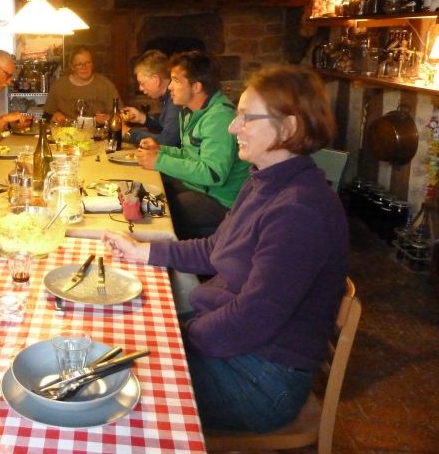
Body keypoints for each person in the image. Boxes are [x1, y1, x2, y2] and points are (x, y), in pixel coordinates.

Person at [103, 64, 348, 434]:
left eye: (246, 118)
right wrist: (143, 251)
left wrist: (182, 337)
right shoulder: (264, 180)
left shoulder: (300, 209)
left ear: (290, 127)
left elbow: (254, 316)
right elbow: (217, 248)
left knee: (116, 393)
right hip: (236, 345)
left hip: (260, 379)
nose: (233, 127)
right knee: (117, 344)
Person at [135, 51, 249, 239]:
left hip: (221, 200)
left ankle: (166, 261)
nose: (170, 87)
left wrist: (160, 161)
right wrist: (160, 149)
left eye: (176, 81)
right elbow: (191, 154)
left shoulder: (219, 117)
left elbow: (213, 174)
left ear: (196, 87)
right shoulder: (193, 112)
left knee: (157, 210)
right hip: (198, 187)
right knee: (146, 190)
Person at [43, 45, 121, 124]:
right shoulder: (59, 86)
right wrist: (53, 116)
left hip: (97, 133)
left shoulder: (105, 85)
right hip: (66, 133)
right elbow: (46, 117)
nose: (84, 67)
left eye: (88, 63)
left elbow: (120, 116)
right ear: (72, 67)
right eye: (79, 64)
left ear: (93, 64)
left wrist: (108, 119)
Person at [122, 49, 183, 147]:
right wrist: (142, 118)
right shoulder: (167, 98)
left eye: (142, 83)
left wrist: (128, 132)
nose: (140, 88)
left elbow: (166, 142)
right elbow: (168, 124)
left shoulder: (176, 100)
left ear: (155, 80)